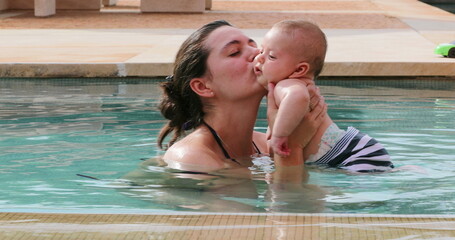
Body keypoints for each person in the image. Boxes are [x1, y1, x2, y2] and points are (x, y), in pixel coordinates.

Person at [157, 20, 327, 173]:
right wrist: (292, 149)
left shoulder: (266, 144)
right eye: (234, 52)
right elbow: (291, 203)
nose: (257, 54)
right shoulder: (192, 159)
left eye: (254, 45)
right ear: (203, 87)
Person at [254, 20, 394, 172]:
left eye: (272, 56)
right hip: (349, 151)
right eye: (261, 51)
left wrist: (279, 136)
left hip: (352, 153)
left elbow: (297, 97)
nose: (260, 58)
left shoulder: (287, 85)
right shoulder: (291, 84)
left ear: (299, 69)